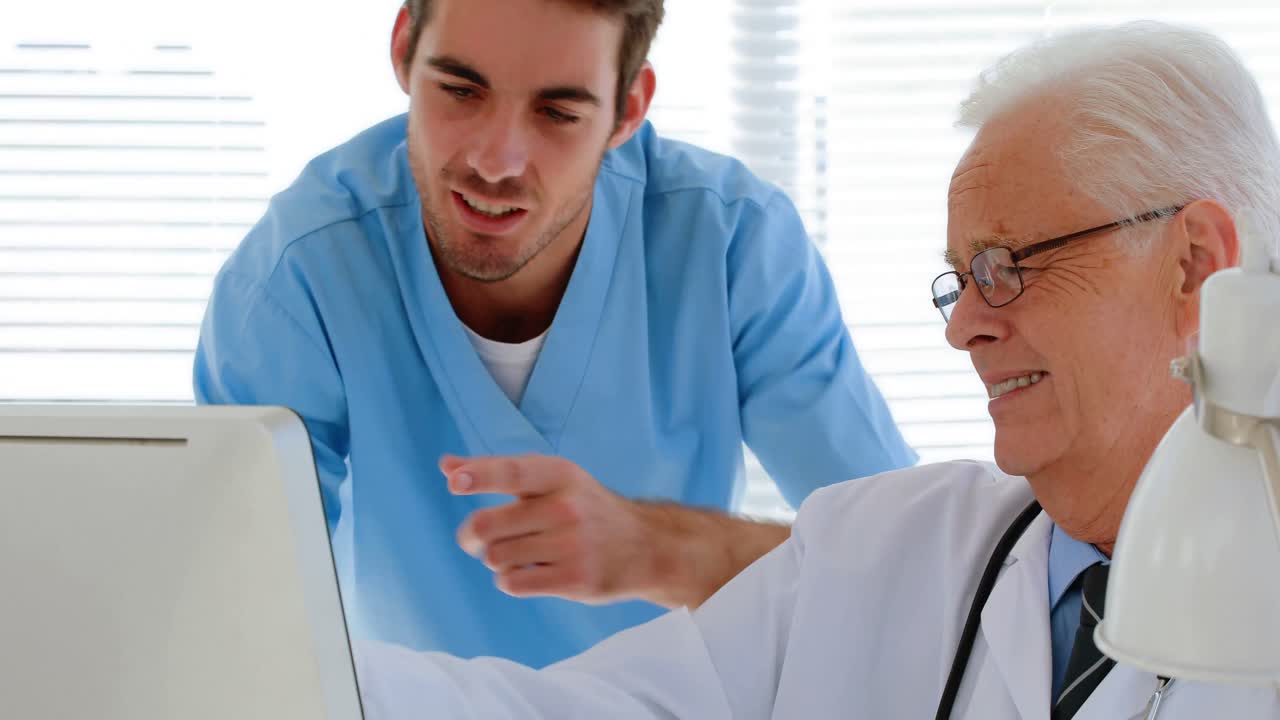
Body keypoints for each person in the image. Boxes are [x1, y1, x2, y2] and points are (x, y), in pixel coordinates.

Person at [350, 21, 1280, 719]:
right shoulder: (877, 549)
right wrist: (259, 651)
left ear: (1194, 261)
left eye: (1008, 266)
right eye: (959, 281)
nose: (964, 328)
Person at [193, 0, 914, 668]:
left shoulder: (733, 244)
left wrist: (657, 549)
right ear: (405, 50)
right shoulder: (300, 271)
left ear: (627, 109)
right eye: (460, 90)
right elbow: (239, 608)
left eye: (557, 112)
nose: (495, 161)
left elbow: (911, 565)